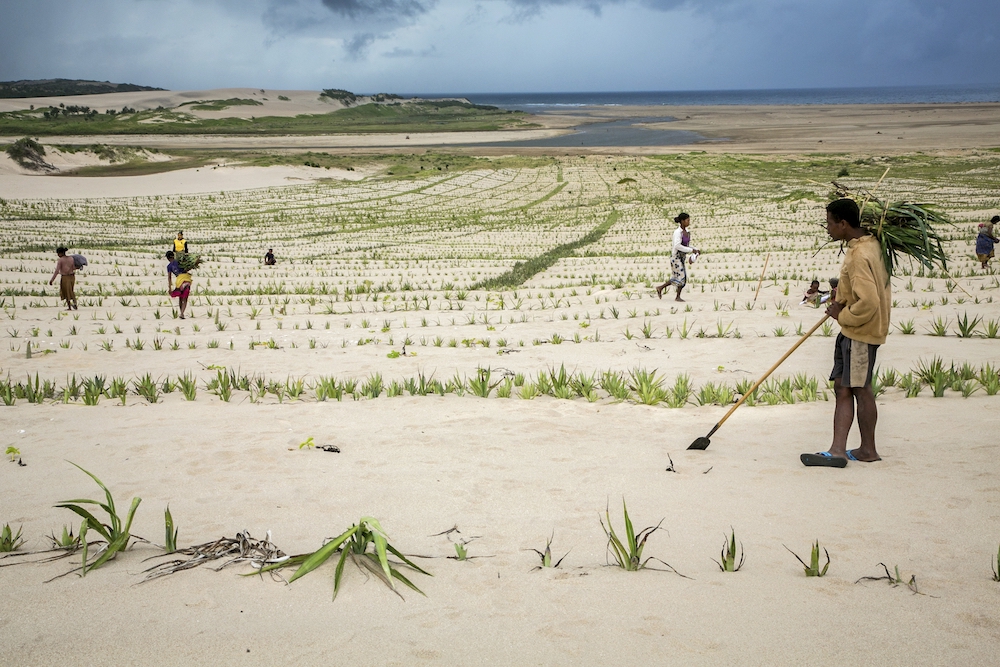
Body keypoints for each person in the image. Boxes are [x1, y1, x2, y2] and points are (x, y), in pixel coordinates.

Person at [801, 199, 890, 468]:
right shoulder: (866, 244)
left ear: (843, 224)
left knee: (860, 388)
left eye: (829, 222)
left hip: (861, 333)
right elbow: (861, 291)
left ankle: (866, 450)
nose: (827, 228)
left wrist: (843, 315)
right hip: (852, 331)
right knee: (842, 385)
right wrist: (842, 299)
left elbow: (870, 301)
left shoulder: (860, 255)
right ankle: (838, 449)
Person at [655, 213, 699, 301]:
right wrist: (691, 250)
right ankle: (676, 296)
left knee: (679, 278)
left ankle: (661, 288)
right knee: (681, 277)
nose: (689, 222)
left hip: (682, 257)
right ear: (682, 221)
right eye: (687, 220)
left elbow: (686, 245)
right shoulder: (677, 232)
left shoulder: (686, 231)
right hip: (676, 258)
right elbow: (677, 246)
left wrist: (695, 249)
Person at [166, 251, 192, 319]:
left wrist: (169, 288)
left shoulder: (169, 266)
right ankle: (182, 313)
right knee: (185, 297)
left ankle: (181, 313)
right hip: (186, 279)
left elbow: (169, 277)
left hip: (179, 281)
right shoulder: (180, 261)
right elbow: (187, 267)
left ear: (167, 258)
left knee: (181, 297)